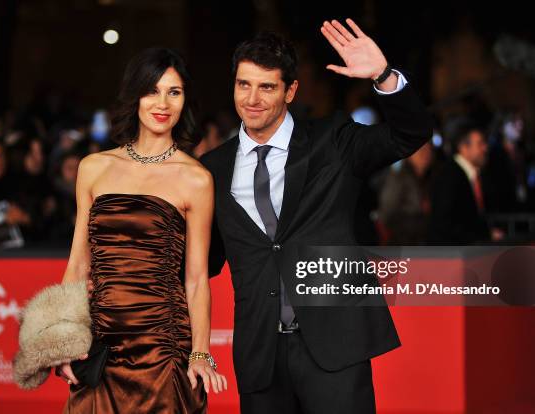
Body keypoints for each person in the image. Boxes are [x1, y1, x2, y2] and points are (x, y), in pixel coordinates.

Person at [199, 20, 433, 413]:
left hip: (335, 348)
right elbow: (202, 261)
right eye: (244, 85)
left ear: (290, 90)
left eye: (267, 87)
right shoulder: (211, 170)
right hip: (261, 357)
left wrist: (384, 76)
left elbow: (410, 134)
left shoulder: (334, 141)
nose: (252, 98)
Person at [55, 47, 227, 414]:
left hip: (162, 348)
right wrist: (65, 341)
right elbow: (77, 267)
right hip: (99, 347)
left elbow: (196, 279)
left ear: (185, 101)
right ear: (135, 95)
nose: (162, 103)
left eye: (174, 92)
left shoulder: (196, 178)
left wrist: (200, 353)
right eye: (152, 90)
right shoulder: (94, 168)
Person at [428, 118, 502, 244]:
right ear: (463, 148)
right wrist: (483, 236)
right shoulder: (449, 177)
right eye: (480, 144)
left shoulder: (473, 174)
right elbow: (445, 224)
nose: (485, 148)